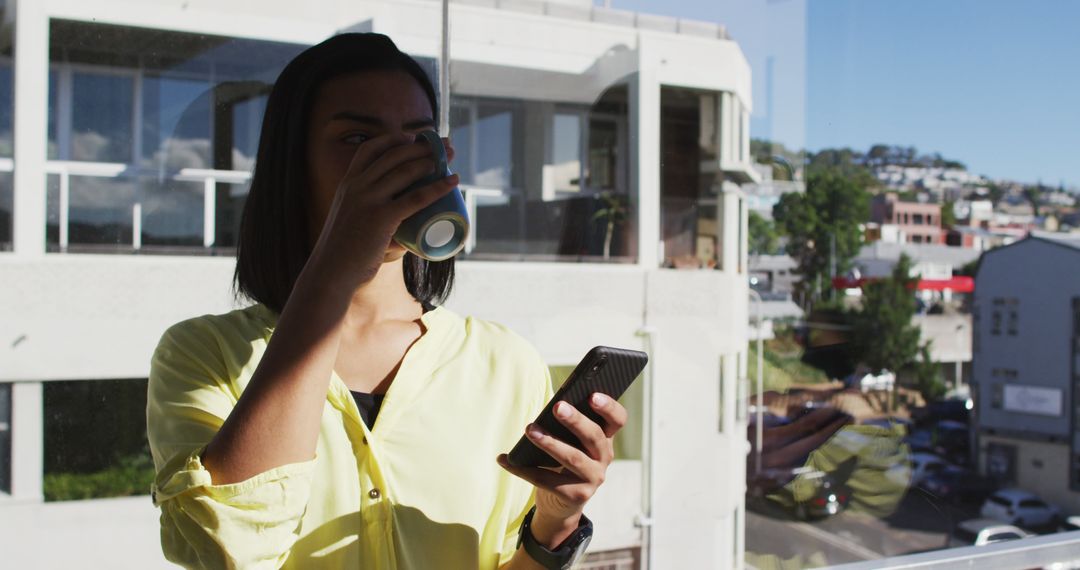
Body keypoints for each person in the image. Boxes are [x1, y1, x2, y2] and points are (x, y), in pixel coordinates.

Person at [146, 33, 627, 570]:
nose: (401, 162)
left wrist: (554, 524)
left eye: (420, 139)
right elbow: (227, 547)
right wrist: (337, 262)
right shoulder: (204, 356)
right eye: (357, 139)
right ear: (293, 166)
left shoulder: (505, 363)